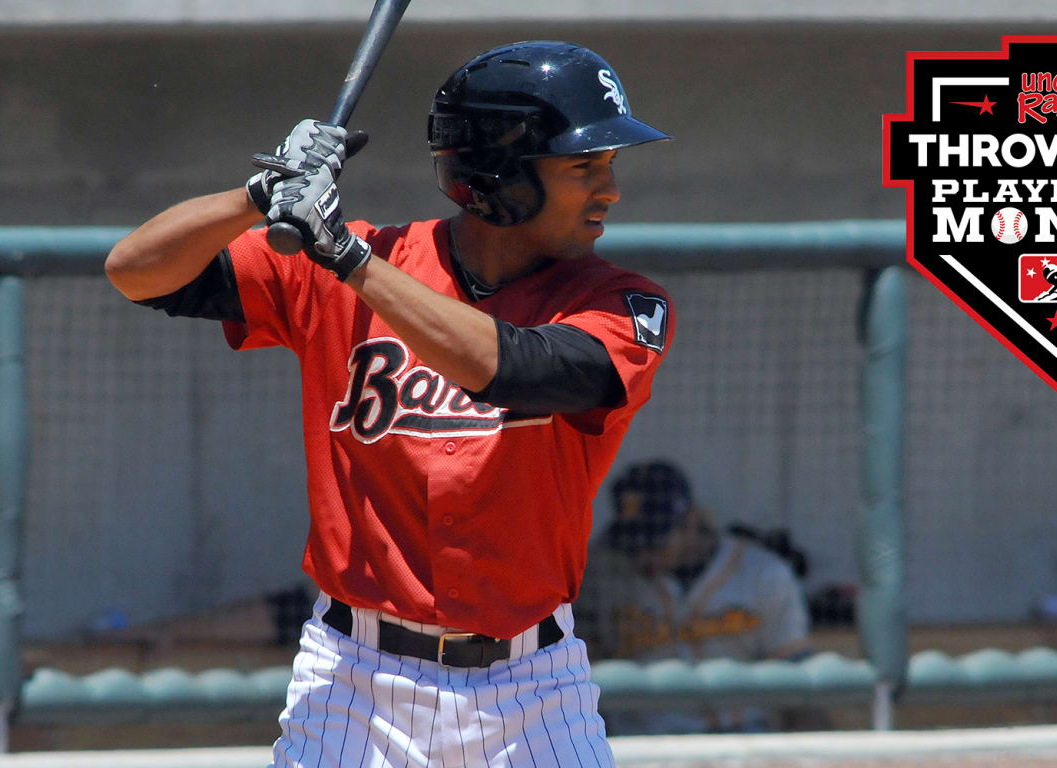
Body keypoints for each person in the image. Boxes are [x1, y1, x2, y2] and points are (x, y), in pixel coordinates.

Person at [106, 40, 673, 767]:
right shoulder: (356, 263)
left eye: (609, 165)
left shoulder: (621, 303)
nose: (609, 190)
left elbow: (517, 370)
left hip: (534, 687)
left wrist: (346, 257)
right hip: (355, 681)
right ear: (499, 175)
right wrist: (258, 194)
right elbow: (136, 273)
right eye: (583, 166)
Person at [578, 460, 829, 735]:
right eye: (634, 542)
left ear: (691, 523)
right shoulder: (602, 576)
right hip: (643, 743)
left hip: (743, 740)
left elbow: (799, 685)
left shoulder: (764, 575)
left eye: (654, 542)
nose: (643, 555)